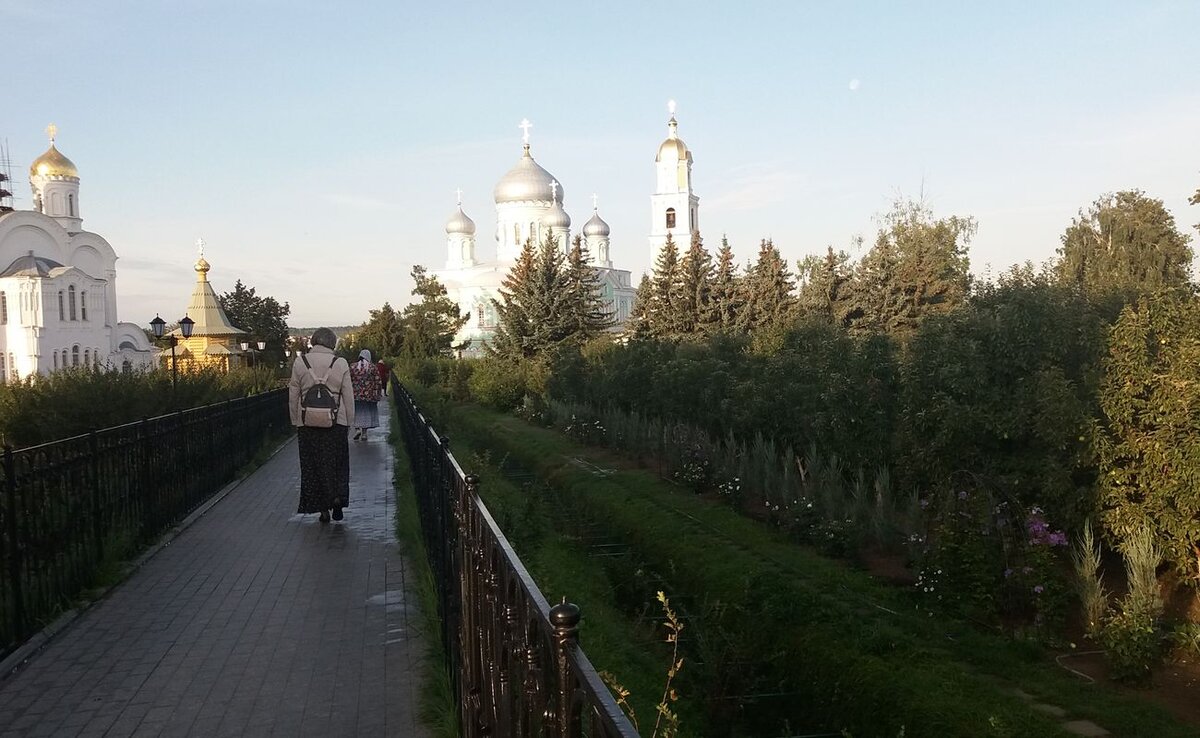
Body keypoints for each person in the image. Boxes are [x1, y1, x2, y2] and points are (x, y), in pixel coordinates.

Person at [288, 328, 354, 523]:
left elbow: (293, 394)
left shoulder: (301, 362)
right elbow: (348, 395)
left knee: (312, 466)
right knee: (337, 464)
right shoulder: (340, 363)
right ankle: (337, 498)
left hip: (307, 423)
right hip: (336, 422)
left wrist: (295, 419)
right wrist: (349, 421)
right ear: (332, 343)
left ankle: (322, 509)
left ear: (314, 341)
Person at [350, 348, 382, 441]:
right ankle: (364, 433)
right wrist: (378, 394)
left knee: (356, 413)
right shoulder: (372, 367)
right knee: (366, 414)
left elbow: (348, 380)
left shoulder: (353, 366)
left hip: (355, 395)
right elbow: (378, 381)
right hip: (369, 395)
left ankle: (356, 429)